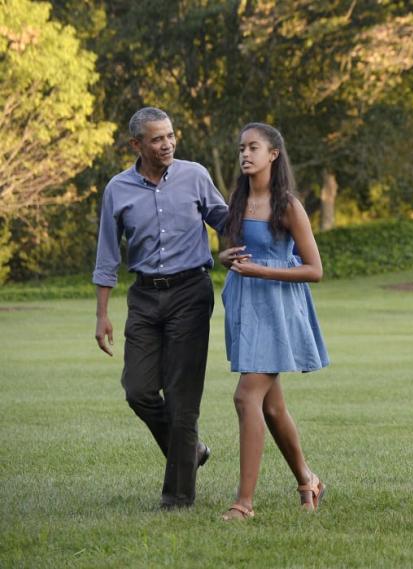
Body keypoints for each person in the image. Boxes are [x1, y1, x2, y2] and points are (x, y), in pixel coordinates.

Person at [93, 107, 228, 509]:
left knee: (183, 400)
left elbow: (226, 220)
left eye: (170, 135)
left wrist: (260, 236)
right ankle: (192, 452)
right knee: (138, 390)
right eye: (156, 138)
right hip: (145, 297)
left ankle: (177, 499)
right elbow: (106, 255)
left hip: (191, 291)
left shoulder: (195, 175)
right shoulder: (117, 188)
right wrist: (102, 314)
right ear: (136, 144)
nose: (166, 144)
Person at [216, 123, 330, 521]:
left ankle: (243, 503)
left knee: (246, 396)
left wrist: (261, 271)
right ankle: (307, 479)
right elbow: (234, 253)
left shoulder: (288, 206)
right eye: (241, 148)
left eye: (253, 147)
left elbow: (315, 269)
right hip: (245, 308)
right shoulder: (237, 200)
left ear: (273, 154)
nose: (245, 154)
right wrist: (226, 259)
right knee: (272, 408)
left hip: (277, 311)